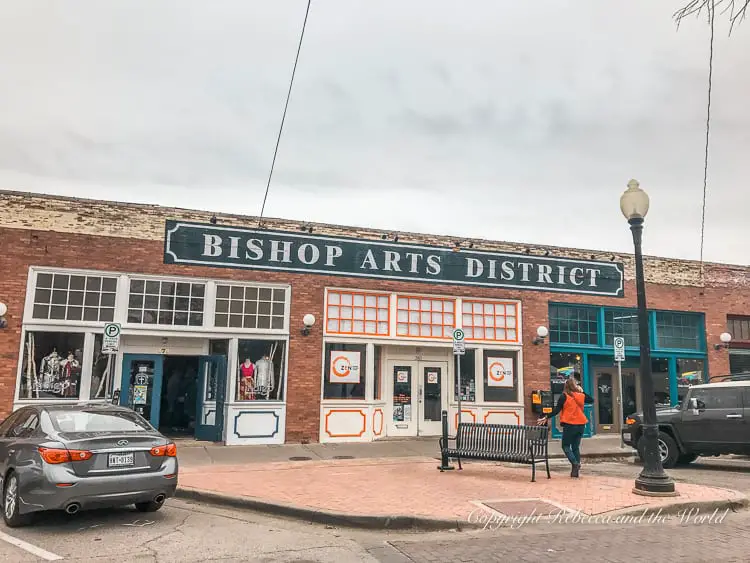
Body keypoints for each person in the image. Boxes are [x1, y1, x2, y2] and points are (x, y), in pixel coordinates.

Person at [537, 376, 593, 478]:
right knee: (575, 447)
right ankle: (575, 471)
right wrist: (582, 392)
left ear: (565, 386)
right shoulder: (581, 395)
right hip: (581, 424)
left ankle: (575, 464)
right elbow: (591, 400)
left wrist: (546, 417)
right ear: (575, 386)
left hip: (570, 424)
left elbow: (557, 410)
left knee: (566, 446)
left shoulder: (564, 396)